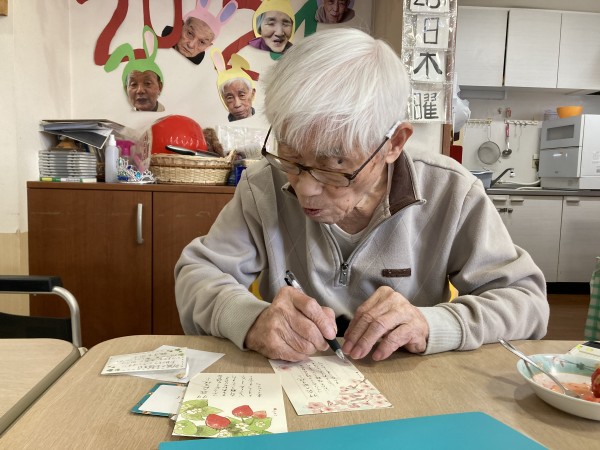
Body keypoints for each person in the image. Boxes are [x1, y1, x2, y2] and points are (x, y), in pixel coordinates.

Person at [175, 28, 549, 363]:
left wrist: (431, 324)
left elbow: (526, 301)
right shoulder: (262, 185)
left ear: (394, 143)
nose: (305, 188)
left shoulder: (451, 191)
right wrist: (251, 318)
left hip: (411, 391)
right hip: (294, 383)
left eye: (334, 164)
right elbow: (198, 274)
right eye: (291, 157)